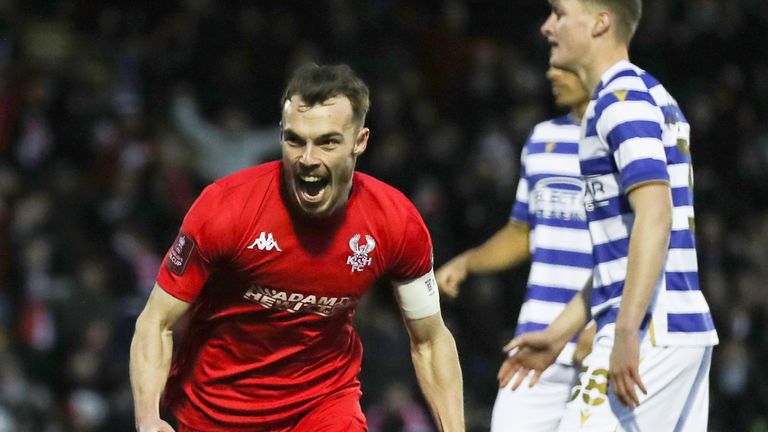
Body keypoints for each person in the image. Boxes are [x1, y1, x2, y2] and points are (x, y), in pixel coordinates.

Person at [130, 64, 464, 432]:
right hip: (215, 413)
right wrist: (148, 420)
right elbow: (155, 322)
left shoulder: (395, 222)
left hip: (323, 407)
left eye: (327, 142)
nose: (307, 159)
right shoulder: (225, 209)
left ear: (360, 141)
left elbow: (431, 341)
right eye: (294, 140)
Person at [501, 1, 719, 431]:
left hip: (651, 330)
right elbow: (617, 254)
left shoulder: (622, 100)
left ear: (601, 22)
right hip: (669, 327)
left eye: (559, 14)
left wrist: (625, 333)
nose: (547, 27)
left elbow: (656, 218)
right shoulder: (639, 93)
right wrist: (560, 333)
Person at [436, 66, 594, 432]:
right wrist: (468, 262)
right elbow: (523, 231)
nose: (552, 72)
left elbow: (644, 241)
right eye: (551, 64)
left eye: (563, 62)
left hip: (600, 343)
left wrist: (607, 325)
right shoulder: (542, 138)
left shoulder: (629, 138)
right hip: (534, 341)